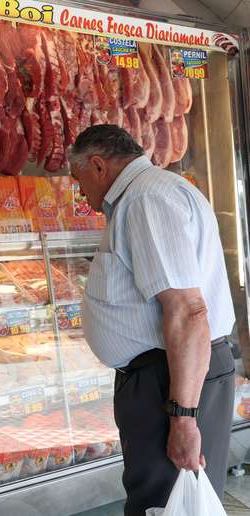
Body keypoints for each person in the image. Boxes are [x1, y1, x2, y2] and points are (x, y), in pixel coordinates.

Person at [68, 125, 236, 516]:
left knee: (164, 503)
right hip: (169, 377)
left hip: (170, 382)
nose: (81, 193)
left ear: (97, 165)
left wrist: (183, 419)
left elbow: (188, 311)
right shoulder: (154, 191)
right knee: (169, 501)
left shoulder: (145, 200)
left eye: (79, 180)